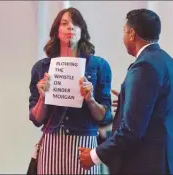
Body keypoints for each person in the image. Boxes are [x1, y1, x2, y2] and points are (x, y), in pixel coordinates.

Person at [79, 8, 173, 175]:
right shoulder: (169, 62)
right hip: (170, 162)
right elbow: (159, 107)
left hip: (147, 165)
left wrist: (94, 155)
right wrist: (127, 102)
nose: (123, 37)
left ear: (131, 33)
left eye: (123, 31)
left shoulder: (144, 66)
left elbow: (132, 130)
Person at [28, 7, 112, 175]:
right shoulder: (41, 68)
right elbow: (36, 119)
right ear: (56, 31)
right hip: (52, 141)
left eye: (76, 24)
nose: (70, 27)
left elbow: (105, 117)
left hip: (84, 144)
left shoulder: (99, 66)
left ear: (82, 32)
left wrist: (90, 100)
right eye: (65, 23)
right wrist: (43, 98)